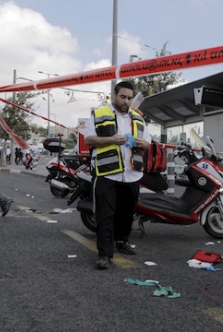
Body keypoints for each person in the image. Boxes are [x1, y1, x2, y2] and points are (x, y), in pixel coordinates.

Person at [83, 81, 151, 270]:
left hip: (131, 174)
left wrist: (141, 143)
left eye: (129, 98)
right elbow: (88, 139)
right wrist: (111, 140)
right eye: (122, 97)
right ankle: (104, 254)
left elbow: (148, 143)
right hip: (107, 173)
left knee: (126, 213)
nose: (126, 101)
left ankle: (122, 241)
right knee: (105, 215)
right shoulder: (99, 114)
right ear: (114, 95)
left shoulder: (138, 118)